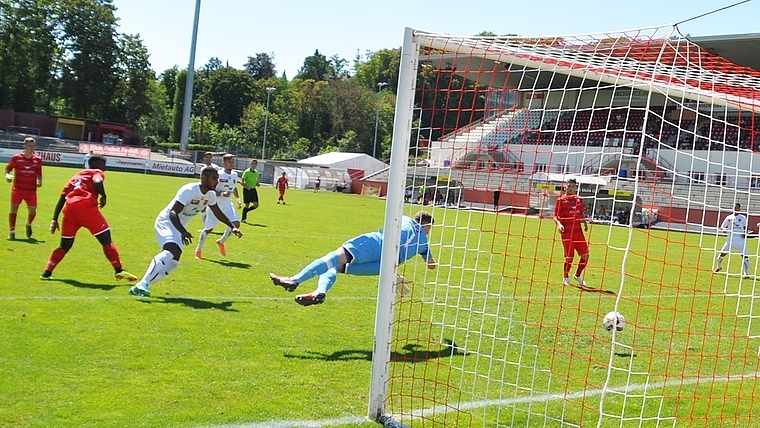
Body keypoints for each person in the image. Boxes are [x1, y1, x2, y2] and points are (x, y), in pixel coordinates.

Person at [269, 211, 437, 306]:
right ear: (427, 225)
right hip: (384, 265)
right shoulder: (425, 244)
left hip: (377, 245)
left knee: (333, 258)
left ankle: (295, 280)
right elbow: (431, 266)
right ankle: (319, 292)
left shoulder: (406, 219)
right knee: (335, 267)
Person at [128, 167, 242, 297]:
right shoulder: (189, 190)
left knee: (174, 262)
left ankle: (141, 285)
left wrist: (232, 226)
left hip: (179, 226)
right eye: (214, 179)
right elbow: (173, 212)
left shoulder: (210, 195)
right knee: (170, 250)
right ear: (203, 178)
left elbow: (218, 212)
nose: (217, 182)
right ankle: (143, 284)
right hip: (167, 221)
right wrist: (183, 231)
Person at [40, 156, 138, 282]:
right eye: (103, 164)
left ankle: (46, 273)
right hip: (85, 208)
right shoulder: (96, 172)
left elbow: (62, 197)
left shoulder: (76, 177)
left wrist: (54, 219)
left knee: (64, 245)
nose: (105, 167)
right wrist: (104, 196)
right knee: (106, 239)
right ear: (96, 164)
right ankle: (119, 270)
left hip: (69, 210)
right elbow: (97, 182)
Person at [195, 154, 242, 259]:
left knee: (236, 224)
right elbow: (210, 188)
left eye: (233, 161)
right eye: (229, 162)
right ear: (223, 163)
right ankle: (198, 249)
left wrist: (238, 199)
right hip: (215, 206)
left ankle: (221, 242)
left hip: (227, 205)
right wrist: (221, 194)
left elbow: (234, 187)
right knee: (208, 230)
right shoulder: (218, 174)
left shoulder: (234, 175)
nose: (231, 164)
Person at [554, 178, 590, 286]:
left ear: (576, 187)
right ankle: (565, 277)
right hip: (567, 233)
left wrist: (584, 223)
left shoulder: (579, 200)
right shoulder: (561, 200)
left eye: (573, 186)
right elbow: (555, 216)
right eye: (568, 186)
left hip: (578, 233)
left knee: (585, 255)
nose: (570, 188)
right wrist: (559, 224)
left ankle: (577, 275)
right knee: (569, 257)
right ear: (565, 187)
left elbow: (581, 213)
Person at [5, 137, 42, 240]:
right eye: (30, 146)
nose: (32, 148)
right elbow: (7, 169)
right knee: (13, 209)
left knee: (32, 211)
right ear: (24, 146)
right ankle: (12, 232)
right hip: (18, 189)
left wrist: (40, 181)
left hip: (31, 190)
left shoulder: (37, 160)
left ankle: (29, 224)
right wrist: (7, 175)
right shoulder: (16, 158)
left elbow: (39, 173)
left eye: (33, 146)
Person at [714, 203, 750, 278]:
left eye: (737, 208)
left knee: (745, 257)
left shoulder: (743, 218)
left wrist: (745, 233)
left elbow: (745, 227)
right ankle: (719, 267)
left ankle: (746, 274)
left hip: (740, 241)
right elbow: (722, 227)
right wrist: (724, 229)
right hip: (730, 241)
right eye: (735, 207)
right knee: (720, 256)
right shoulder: (729, 217)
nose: (736, 209)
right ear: (732, 208)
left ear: (739, 209)